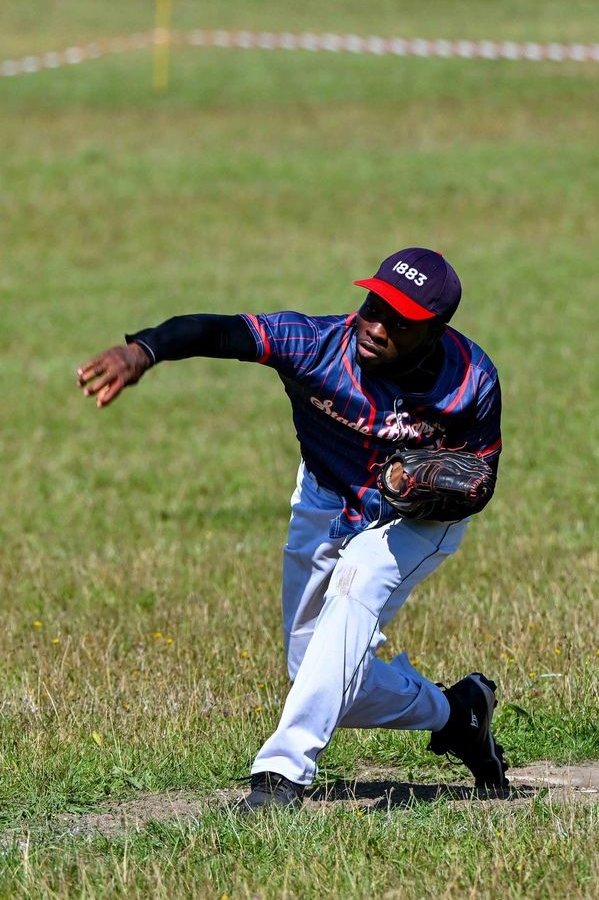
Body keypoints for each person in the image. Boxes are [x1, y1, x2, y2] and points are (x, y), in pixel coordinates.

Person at [76, 247, 508, 808]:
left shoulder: (472, 380)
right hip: (325, 499)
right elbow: (219, 331)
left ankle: (282, 774)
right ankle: (459, 713)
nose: (374, 326)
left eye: (397, 320)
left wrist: (425, 484)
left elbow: (479, 478)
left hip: (420, 523)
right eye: (373, 303)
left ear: (434, 330)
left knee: (359, 576)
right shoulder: (318, 346)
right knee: (319, 678)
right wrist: (143, 351)